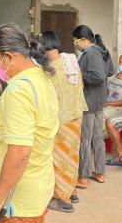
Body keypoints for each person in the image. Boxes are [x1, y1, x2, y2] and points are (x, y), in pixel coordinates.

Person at [0, 23, 59, 223]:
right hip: (36, 185)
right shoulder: (41, 77)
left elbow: (20, 152)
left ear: (9, 57)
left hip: (14, 201)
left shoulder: (19, 90)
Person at [37, 31, 88, 213]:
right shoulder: (71, 60)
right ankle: (71, 191)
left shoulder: (47, 69)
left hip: (61, 118)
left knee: (59, 159)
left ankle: (63, 199)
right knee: (72, 155)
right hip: (76, 114)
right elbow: (80, 84)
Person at [72, 25, 111, 188]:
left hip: (89, 102)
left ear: (83, 40)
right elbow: (108, 72)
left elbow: (99, 76)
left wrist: (80, 75)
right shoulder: (101, 51)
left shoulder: (90, 53)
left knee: (85, 140)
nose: (75, 44)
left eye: (76, 41)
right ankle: (100, 172)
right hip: (98, 100)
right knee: (97, 138)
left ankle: (83, 176)